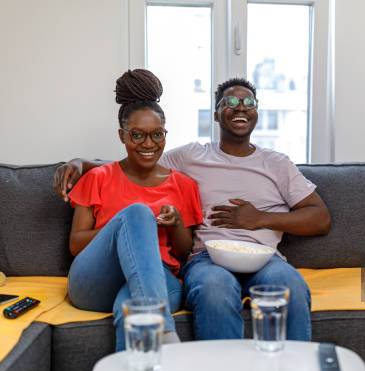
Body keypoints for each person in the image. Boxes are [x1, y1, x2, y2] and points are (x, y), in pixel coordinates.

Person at [54, 78, 331, 342]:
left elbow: (320, 218)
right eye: (230, 101)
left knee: (290, 287)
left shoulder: (278, 164)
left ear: (257, 112)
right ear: (215, 114)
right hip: (207, 258)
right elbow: (136, 159)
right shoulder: (190, 157)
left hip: (264, 258)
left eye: (249, 102)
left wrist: (260, 219)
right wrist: (81, 163)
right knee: (214, 290)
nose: (240, 106)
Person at [65, 69, 203, 351]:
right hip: (95, 280)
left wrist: (175, 223)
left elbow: (184, 253)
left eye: (157, 135)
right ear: (122, 135)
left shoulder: (184, 185)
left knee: (131, 307)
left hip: (158, 278)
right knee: (137, 213)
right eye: (138, 135)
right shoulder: (98, 177)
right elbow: (76, 244)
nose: (149, 144)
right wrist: (124, 226)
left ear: (166, 134)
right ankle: (164, 330)